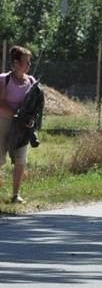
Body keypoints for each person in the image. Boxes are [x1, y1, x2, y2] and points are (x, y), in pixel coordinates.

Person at [0, 46, 43, 203]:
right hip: (4, 122)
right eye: (26, 61)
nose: (29, 64)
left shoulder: (31, 81)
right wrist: (15, 114)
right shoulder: (4, 79)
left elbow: (34, 105)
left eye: (30, 61)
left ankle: (15, 195)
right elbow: (0, 103)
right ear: (16, 62)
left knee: (20, 160)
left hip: (22, 126)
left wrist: (31, 118)